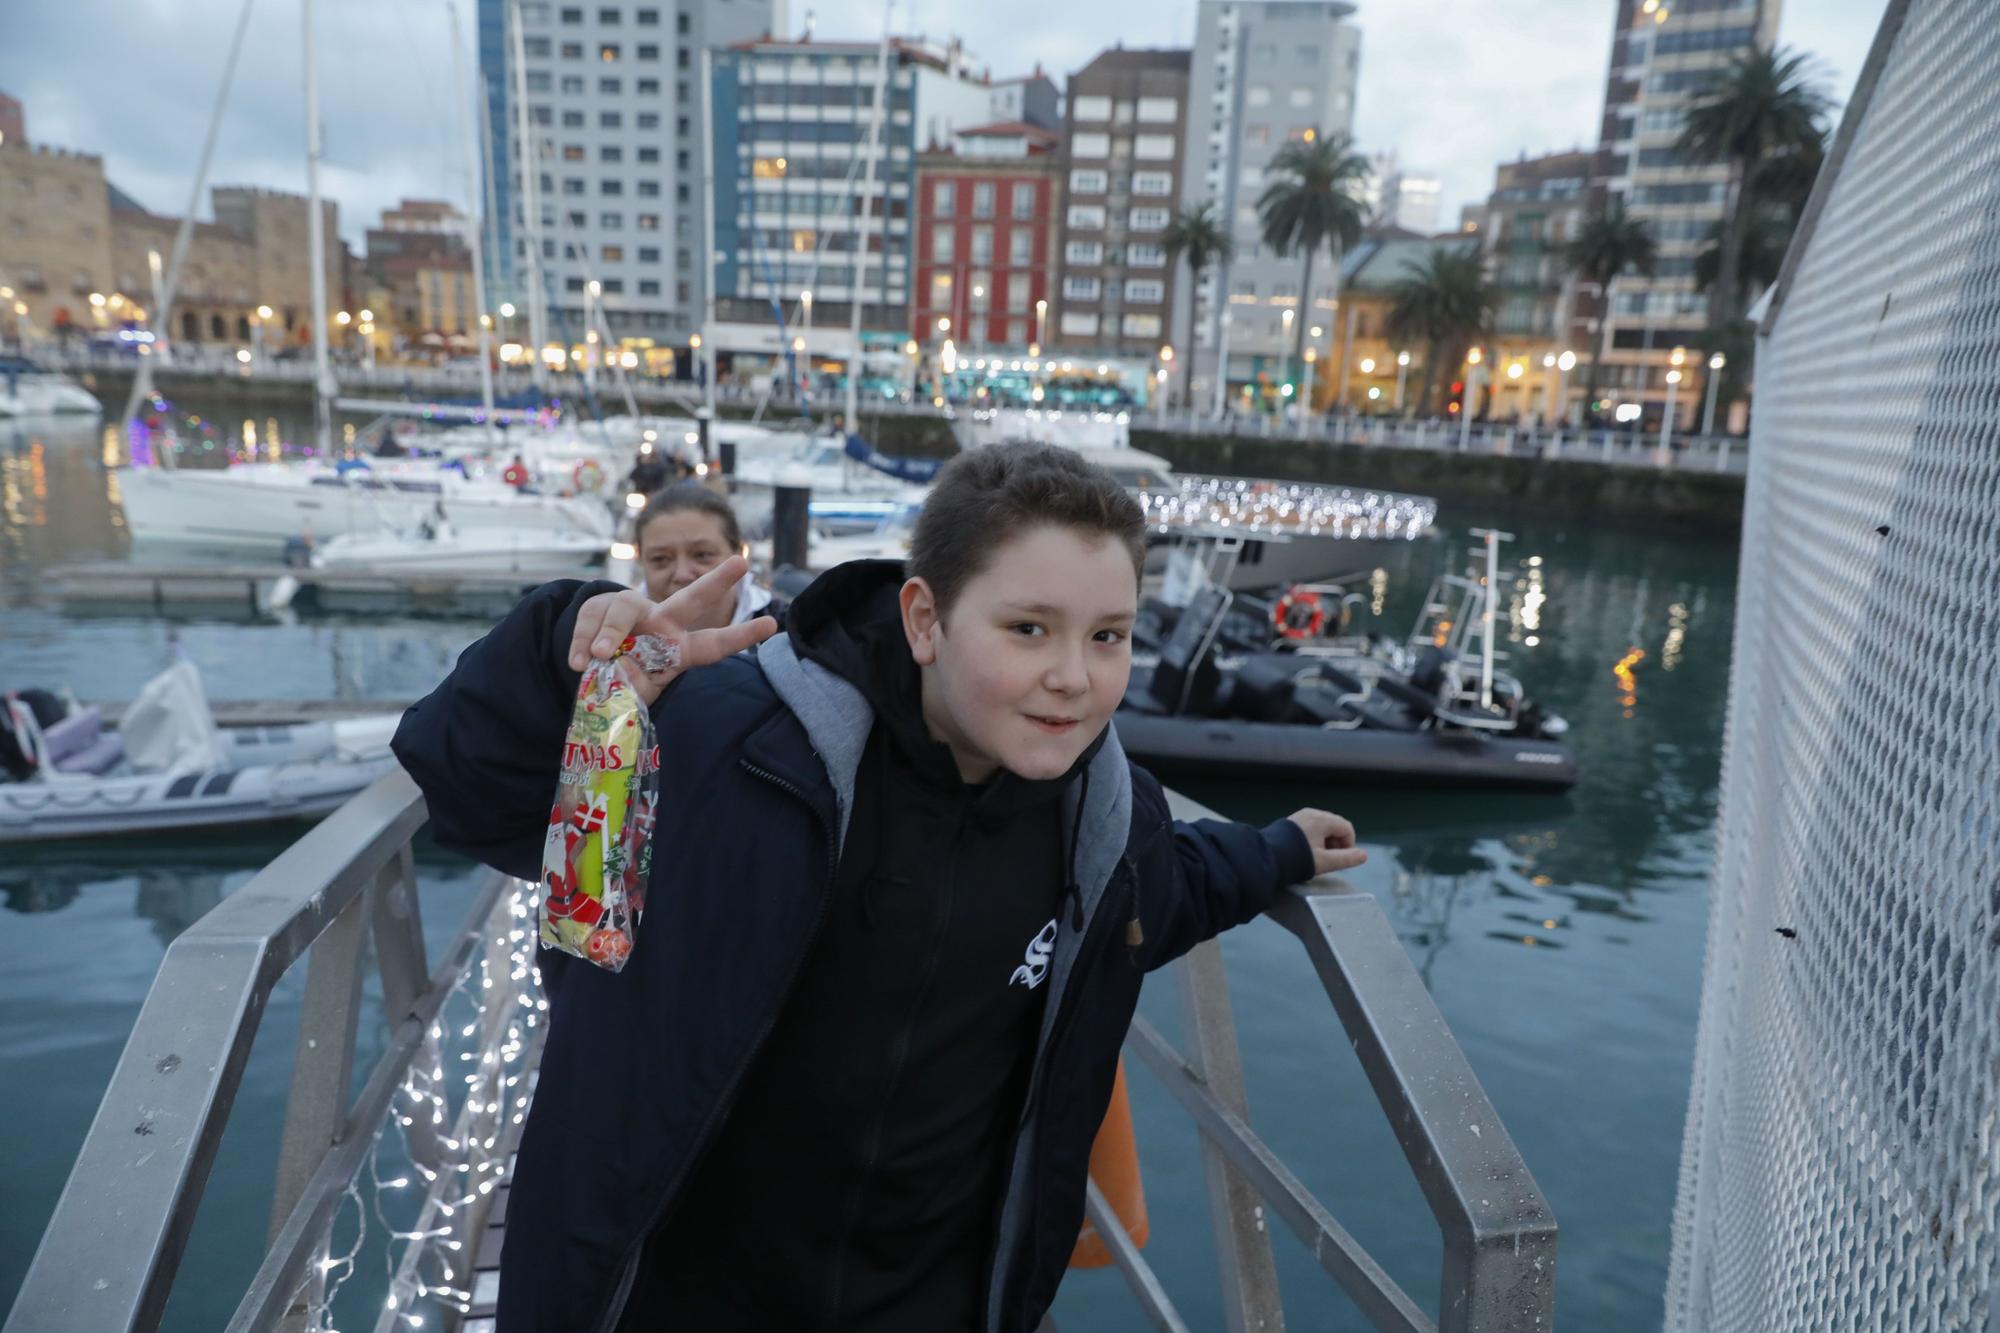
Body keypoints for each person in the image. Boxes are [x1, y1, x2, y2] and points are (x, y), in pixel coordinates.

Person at [391, 443, 1364, 1332]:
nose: (1072, 676)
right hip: (679, 1296)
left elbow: (1163, 890)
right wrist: (566, 650)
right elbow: (470, 792)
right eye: (1028, 628)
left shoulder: (1100, 817)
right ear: (925, 618)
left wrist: (1280, 848)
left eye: (1107, 636)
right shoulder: (724, 745)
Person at [630, 481, 774, 627]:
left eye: (702, 555)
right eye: (660, 558)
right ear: (641, 560)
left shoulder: (790, 635)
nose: (682, 575)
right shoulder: (617, 638)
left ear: (740, 553)